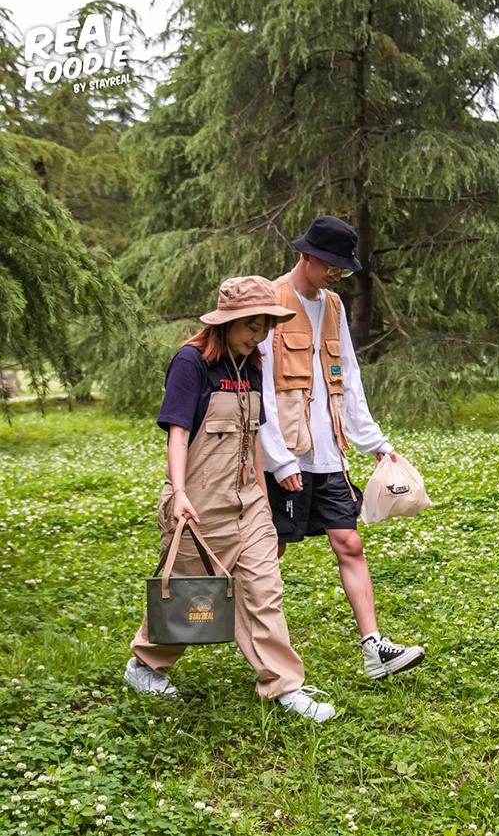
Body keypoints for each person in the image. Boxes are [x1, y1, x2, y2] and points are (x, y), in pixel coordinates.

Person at [124, 275, 335, 722]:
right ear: (226, 322)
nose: (258, 335)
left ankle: (284, 686)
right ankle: (146, 665)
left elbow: (253, 437)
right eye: (251, 326)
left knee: (265, 591)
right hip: (198, 505)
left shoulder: (253, 365)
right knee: (190, 597)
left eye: (265, 327)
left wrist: (264, 500)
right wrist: (179, 495)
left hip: (248, 503)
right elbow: (178, 434)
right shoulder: (191, 362)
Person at [259, 215, 426, 680]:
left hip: (328, 453)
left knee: (349, 543)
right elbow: (262, 389)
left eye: (343, 267)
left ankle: (374, 649)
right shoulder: (271, 299)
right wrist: (279, 460)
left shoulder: (333, 306)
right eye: (331, 264)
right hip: (286, 455)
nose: (337, 273)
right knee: (270, 551)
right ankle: (225, 633)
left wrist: (375, 443)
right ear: (306, 255)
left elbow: (348, 378)